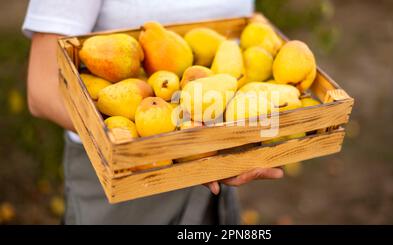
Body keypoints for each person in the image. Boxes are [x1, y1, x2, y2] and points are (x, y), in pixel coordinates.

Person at [22, 0, 284, 225]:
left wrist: (221, 144)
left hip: (215, 158)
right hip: (122, 175)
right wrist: (163, 149)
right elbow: (41, 91)